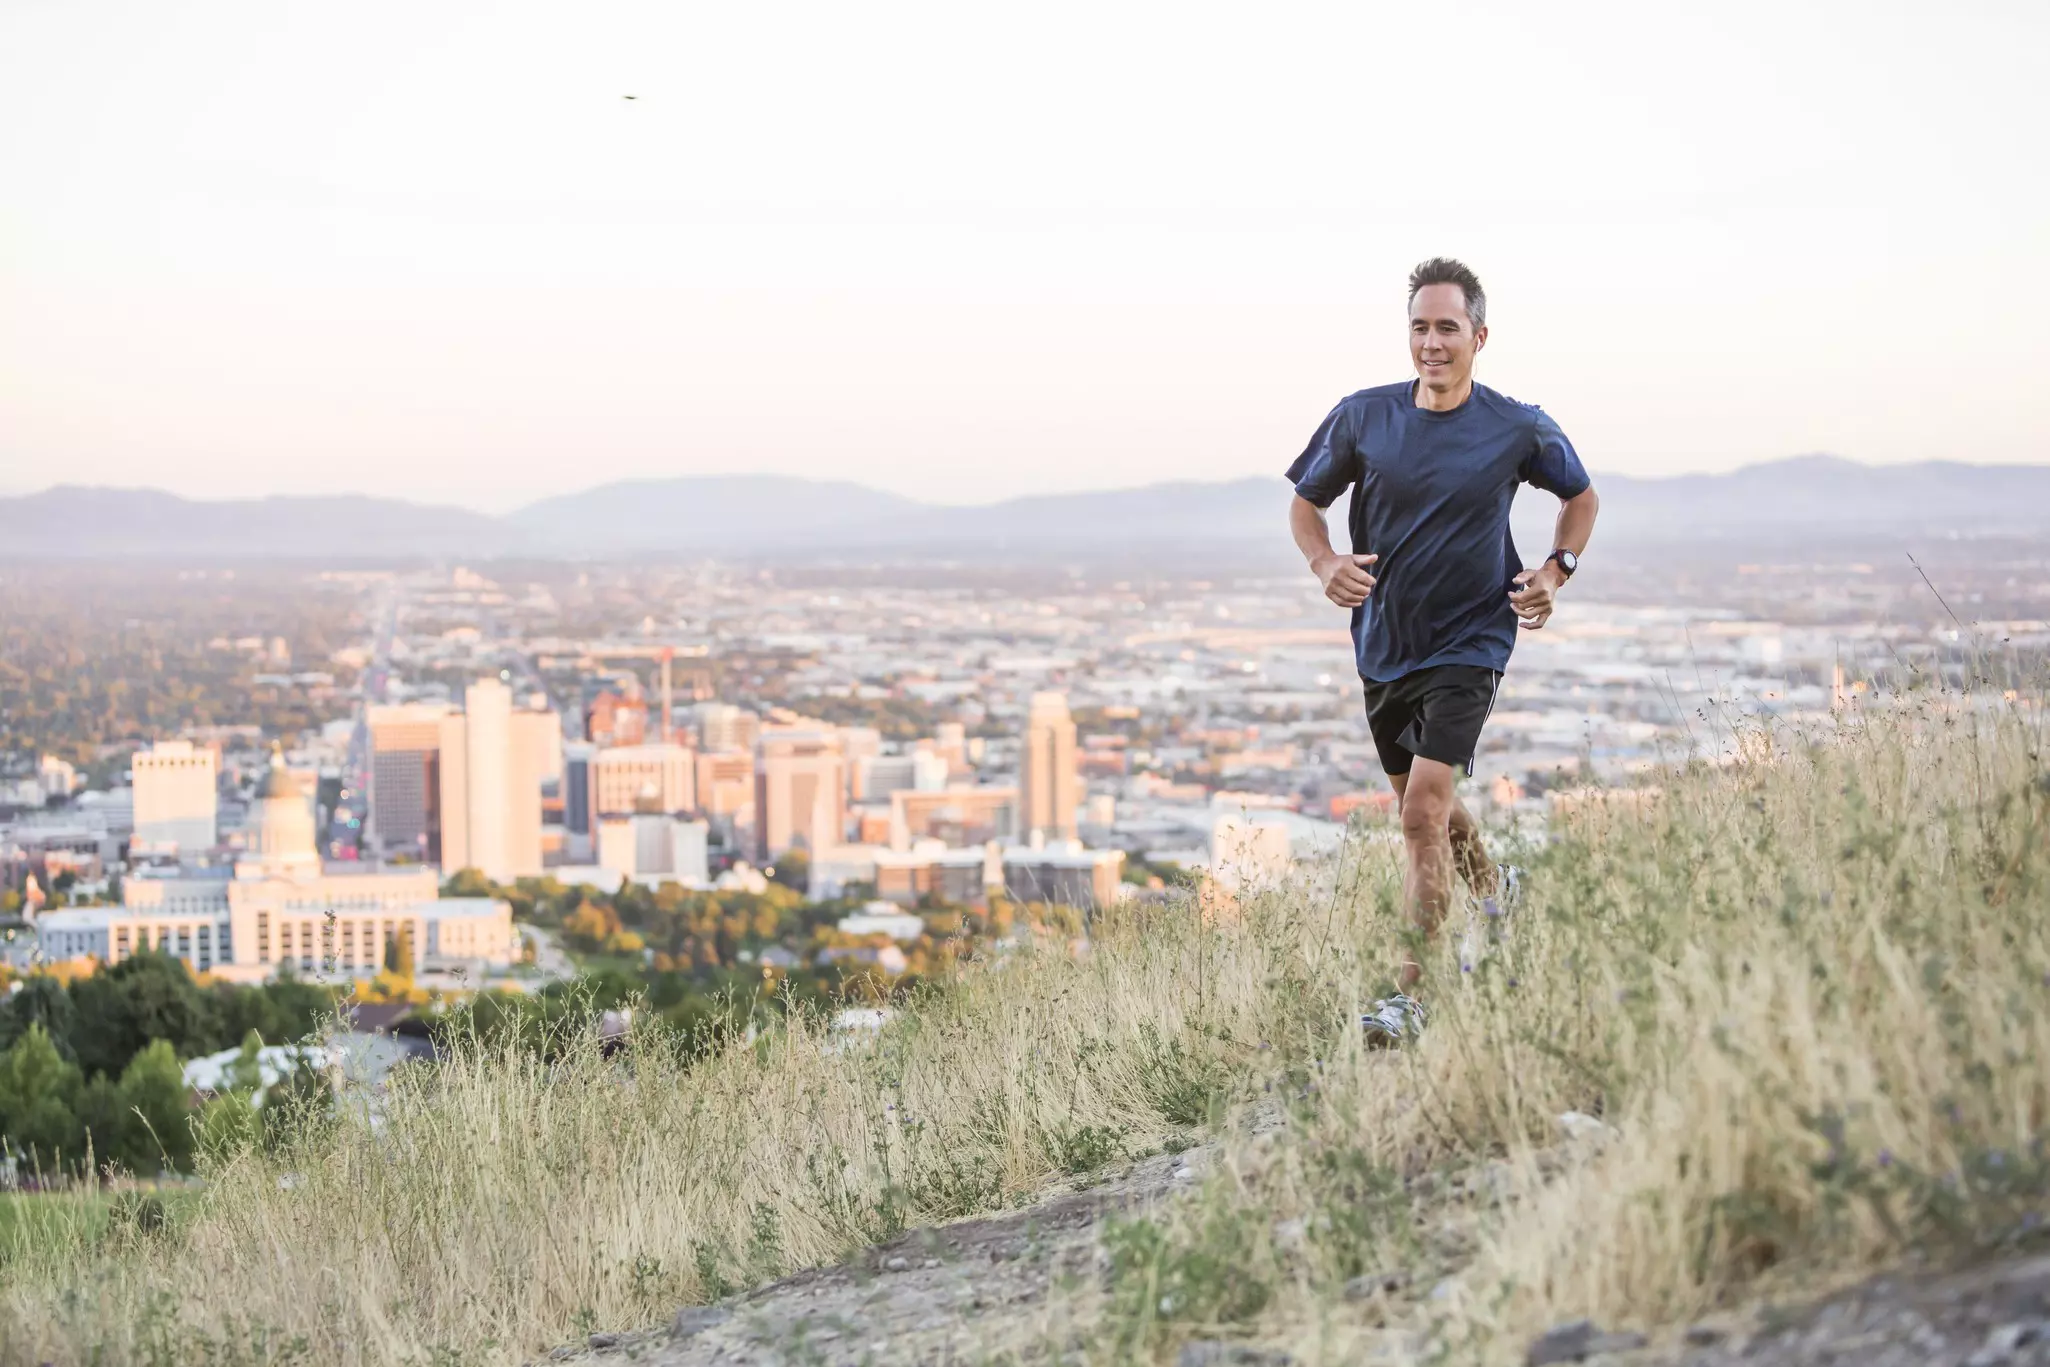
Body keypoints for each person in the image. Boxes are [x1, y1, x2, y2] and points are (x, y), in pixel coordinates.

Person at [1284, 257, 1599, 1042]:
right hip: (1385, 643)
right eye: (1420, 327)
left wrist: (1555, 570)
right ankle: (1497, 890)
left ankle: (1411, 998)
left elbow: (1581, 497)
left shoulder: (1516, 425)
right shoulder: (1363, 417)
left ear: (1478, 336)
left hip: (1473, 638)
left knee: (1421, 813)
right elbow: (1305, 504)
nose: (1431, 342)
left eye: (1447, 327)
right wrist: (1326, 563)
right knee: (1425, 810)